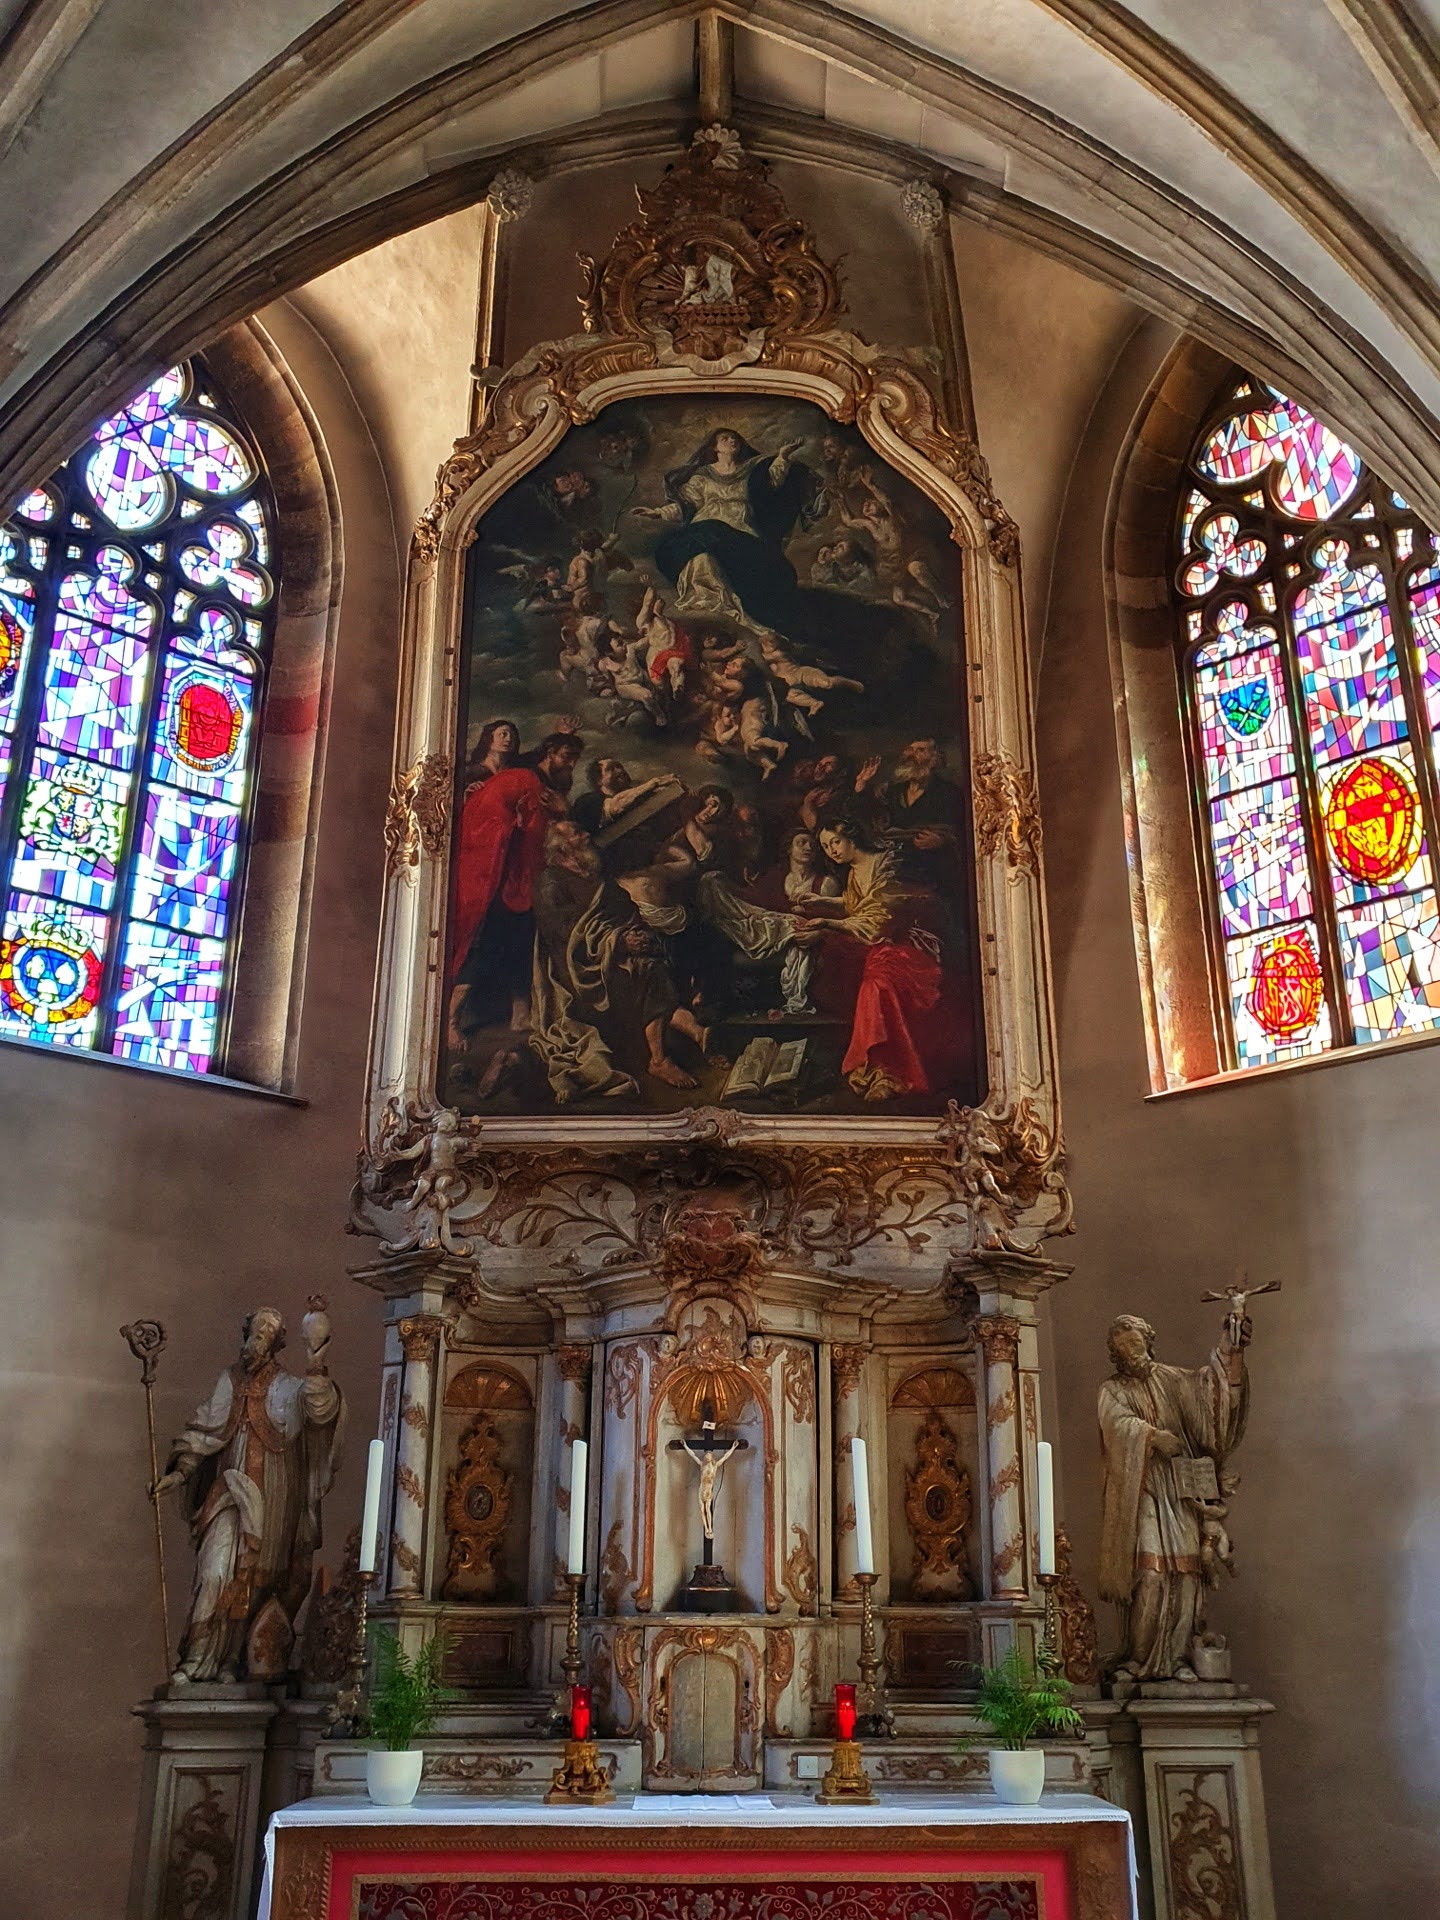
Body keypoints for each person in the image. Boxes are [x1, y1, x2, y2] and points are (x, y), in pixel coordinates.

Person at [154, 1306, 344, 1684]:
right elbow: (204, 1431)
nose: (257, 1339)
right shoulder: (229, 1382)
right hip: (228, 1493)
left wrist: (315, 1359)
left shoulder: (288, 1387)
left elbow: (321, 1408)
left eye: (266, 1334)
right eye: (255, 1331)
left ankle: (233, 1662)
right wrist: (179, 1472)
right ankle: (197, 1660)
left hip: (273, 1502)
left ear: (275, 1344)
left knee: (257, 1581)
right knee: (214, 1572)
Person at [1098, 1312, 1250, 1682]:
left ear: (1149, 1342)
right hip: (1143, 1490)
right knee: (1150, 1574)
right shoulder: (1112, 1389)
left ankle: (1178, 1658)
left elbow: (1213, 1399)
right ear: (1115, 1355)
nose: (1132, 1351)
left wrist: (1231, 1351)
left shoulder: (1175, 1380)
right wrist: (1152, 1436)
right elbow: (1115, 1426)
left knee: (1187, 1574)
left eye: (1136, 1343)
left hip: (1182, 1491)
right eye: (1124, 1347)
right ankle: (1138, 1658)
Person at [797, 815, 968, 1100]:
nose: (832, 851)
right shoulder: (855, 872)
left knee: (877, 987)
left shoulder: (888, 865)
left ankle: (891, 1073)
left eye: (835, 842)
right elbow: (858, 905)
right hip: (881, 945)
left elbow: (878, 919)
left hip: (911, 943)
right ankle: (875, 1068)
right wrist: (824, 902)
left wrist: (827, 922)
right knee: (850, 977)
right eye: (826, 847)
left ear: (851, 837)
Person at [448, 729, 583, 1046]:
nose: (571, 765)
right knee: (484, 947)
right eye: (566, 757)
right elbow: (488, 815)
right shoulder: (523, 778)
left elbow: (550, 833)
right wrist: (515, 825)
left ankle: (520, 1013)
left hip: (528, 877)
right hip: (504, 876)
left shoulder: (548, 788)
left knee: (523, 944)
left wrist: (561, 814)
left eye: (575, 760)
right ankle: (451, 1019)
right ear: (549, 752)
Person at [571, 757, 668, 839]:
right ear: (599, 780)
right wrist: (652, 784)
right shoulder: (589, 800)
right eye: (611, 769)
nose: (620, 771)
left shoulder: (640, 792)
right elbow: (617, 806)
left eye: (620, 766)